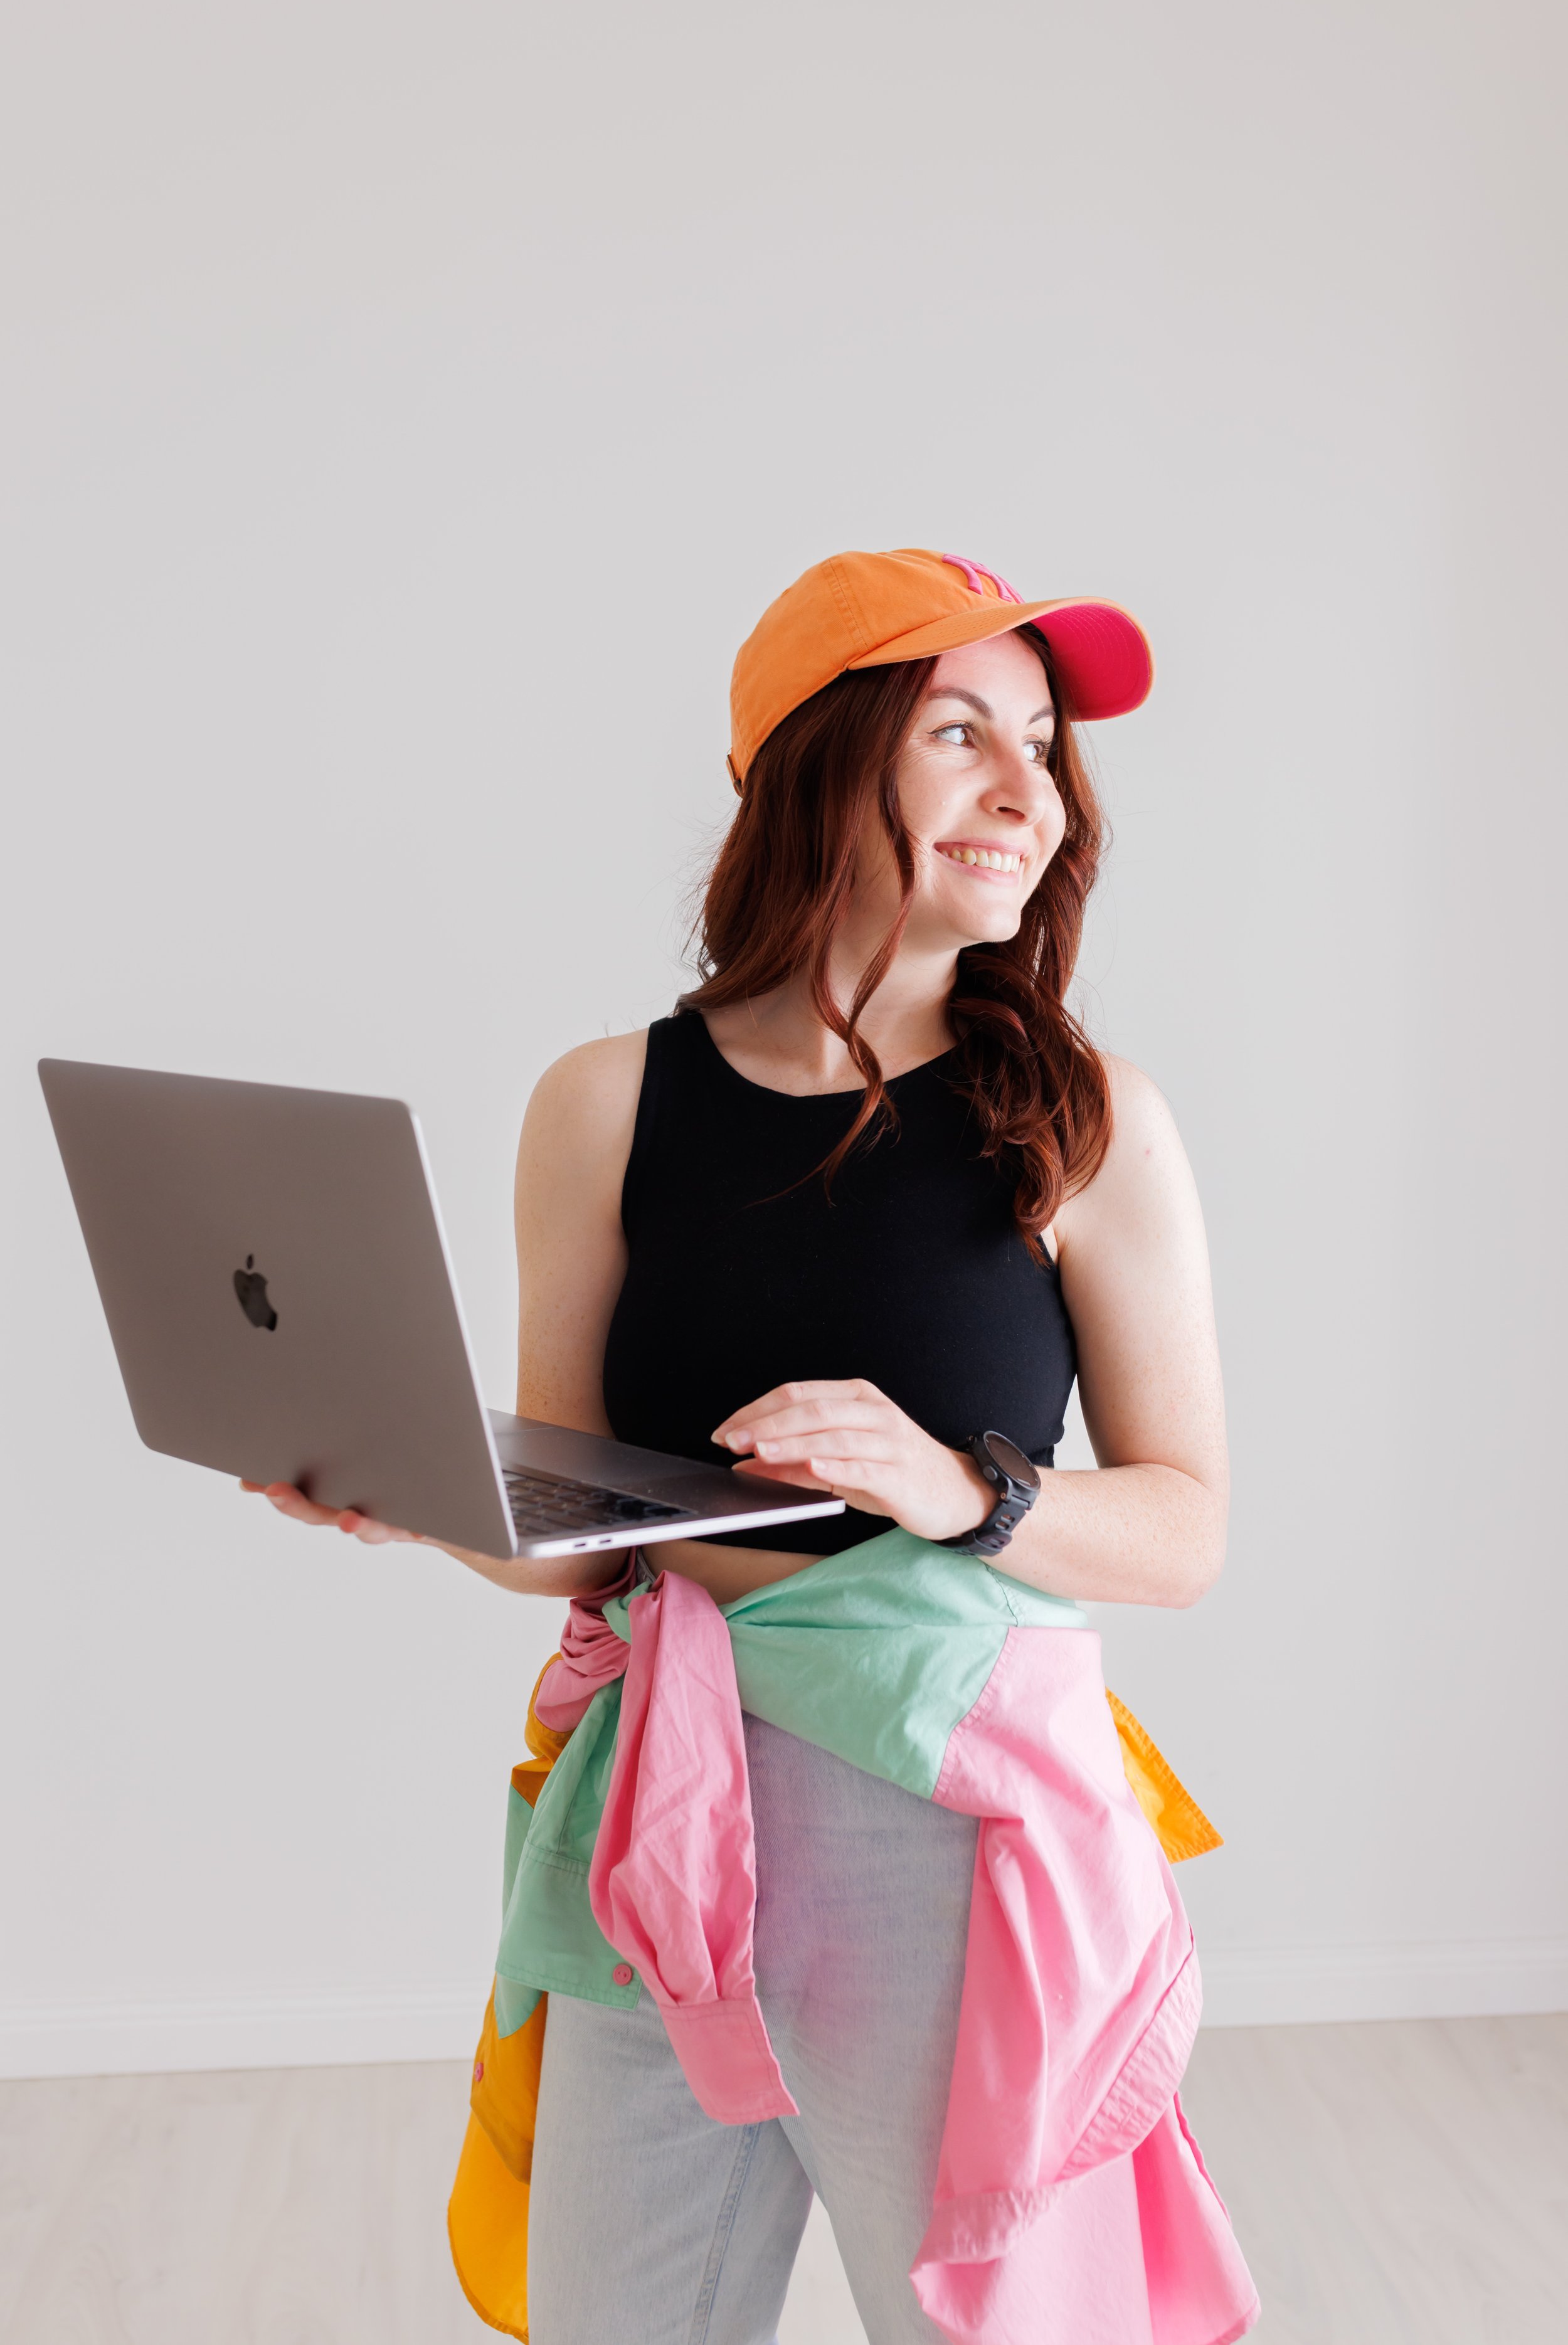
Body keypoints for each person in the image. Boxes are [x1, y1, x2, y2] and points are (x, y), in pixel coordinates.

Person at [249, 548, 1258, 2345]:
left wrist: (962, 1487)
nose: (1029, 788)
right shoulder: (603, 1102)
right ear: (814, 758)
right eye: (961, 731)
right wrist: (402, 1483)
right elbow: (561, 1520)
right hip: (669, 1808)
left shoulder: (1084, 1117)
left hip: (942, 1829)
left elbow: (1182, 1531)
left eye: (1041, 742)